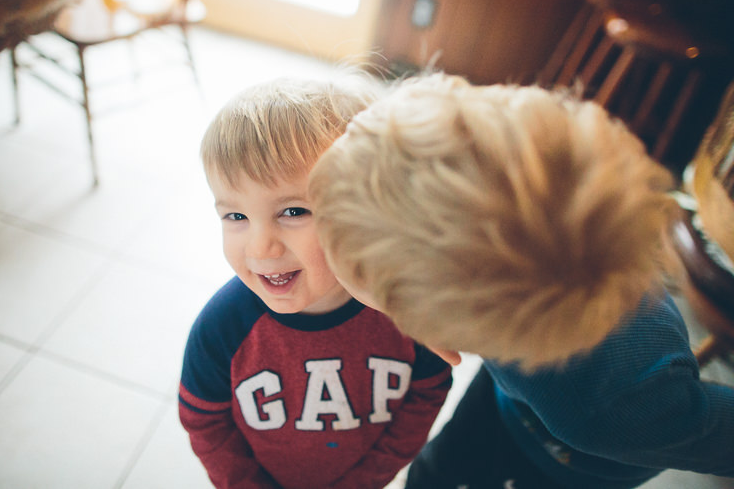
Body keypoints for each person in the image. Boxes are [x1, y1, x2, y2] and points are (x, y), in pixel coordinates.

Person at [308, 73, 734, 489]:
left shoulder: (618, 414)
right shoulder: (511, 289)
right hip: (507, 396)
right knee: (434, 471)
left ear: (434, 325)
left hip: (570, 468)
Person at [178, 76, 453, 489]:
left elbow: (426, 396)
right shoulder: (223, 328)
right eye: (236, 217)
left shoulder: (407, 316)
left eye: (292, 212)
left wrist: (365, 480)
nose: (261, 247)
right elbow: (204, 421)